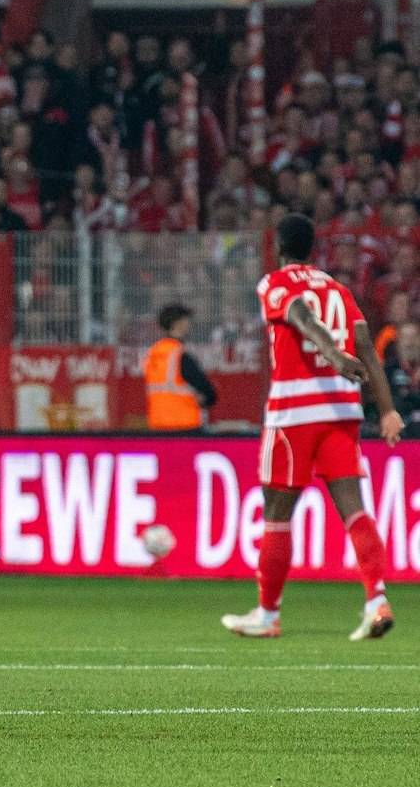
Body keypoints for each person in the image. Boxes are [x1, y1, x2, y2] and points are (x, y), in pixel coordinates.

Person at [222, 214, 403, 642]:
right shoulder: (339, 290)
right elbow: (366, 350)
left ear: (279, 246)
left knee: (277, 515)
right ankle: (376, 600)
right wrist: (388, 410)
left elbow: (301, 316)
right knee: (354, 509)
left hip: (294, 415)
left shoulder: (275, 283)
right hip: (342, 411)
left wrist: (331, 354)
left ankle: (267, 614)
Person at [144, 304, 218, 432]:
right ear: (179, 324)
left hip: (158, 426)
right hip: (185, 427)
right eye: (187, 320)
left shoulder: (153, 354)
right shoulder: (180, 355)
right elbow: (209, 393)